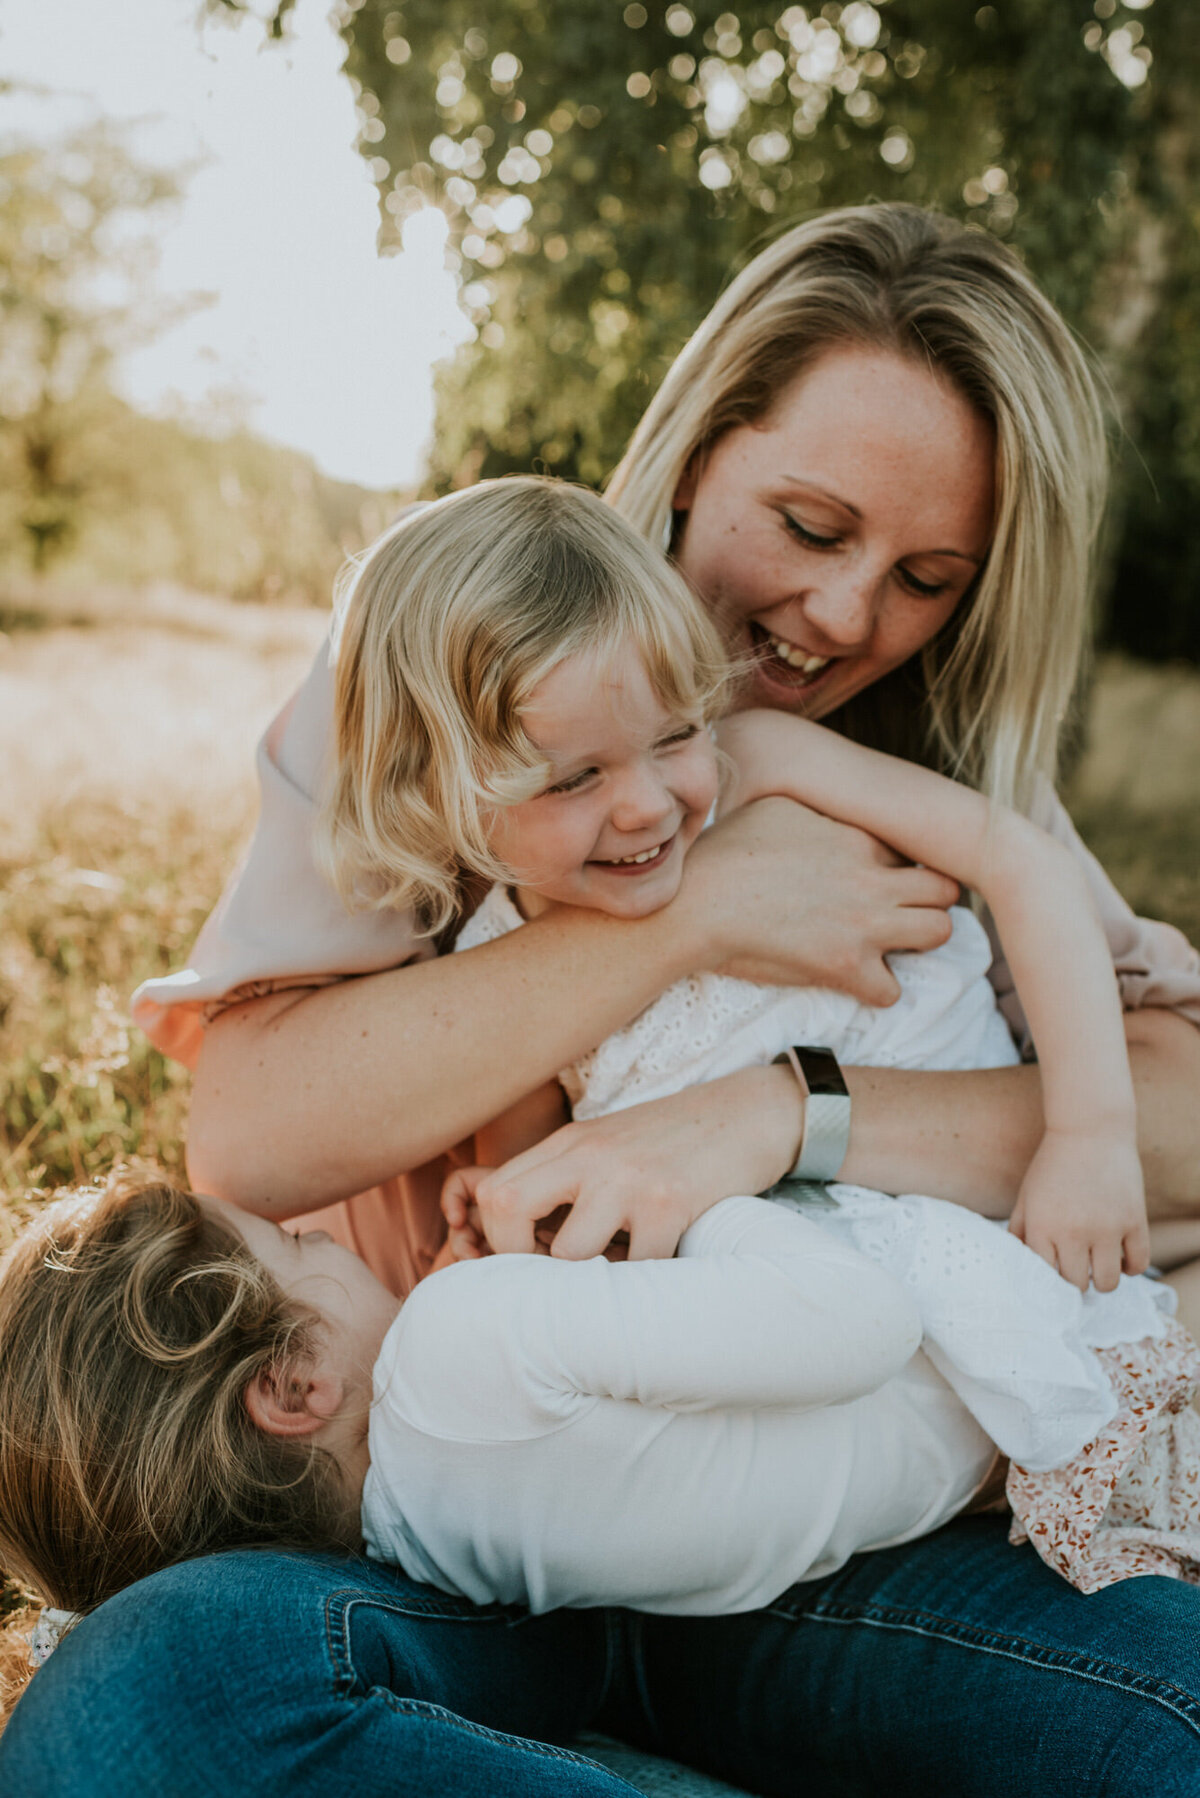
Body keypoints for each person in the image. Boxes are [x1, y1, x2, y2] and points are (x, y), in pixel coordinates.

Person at [7, 204, 1200, 1793]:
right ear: (702, 450)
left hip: (841, 1533)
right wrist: (691, 909)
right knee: (142, 1703)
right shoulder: (451, 664)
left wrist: (780, 1114)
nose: (848, 619)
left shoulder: (926, 761)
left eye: (926, 577)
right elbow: (255, 1133)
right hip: (427, 1517)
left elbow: (1175, 1119)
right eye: (810, 524)